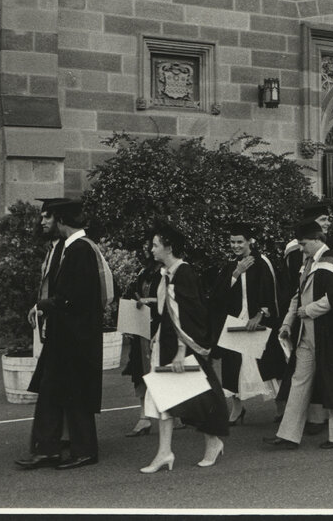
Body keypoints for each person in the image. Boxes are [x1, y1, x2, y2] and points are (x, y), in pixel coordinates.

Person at [16, 198, 113, 471]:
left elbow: (74, 297)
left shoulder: (80, 249)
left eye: (49, 217)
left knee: (74, 393)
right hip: (65, 335)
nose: (44, 223)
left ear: (61, 220)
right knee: (51, 391)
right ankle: (47, 449)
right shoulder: (70, 248)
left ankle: (84, 451)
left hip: (76, 337)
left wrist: (43, 305)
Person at [264, 220, 333, 449]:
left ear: (316, 239)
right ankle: (288, 435)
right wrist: (287, 323)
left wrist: (308, 311)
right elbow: (298, 295)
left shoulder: (332, 261)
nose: (301, 248)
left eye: (303, 244)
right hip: (307, 333)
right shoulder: (309, 263)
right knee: (298, 382)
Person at [140, 223, 230, 472]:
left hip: (183, 348)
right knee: (163, 398)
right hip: (166, 343)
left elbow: (190, 315)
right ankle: (164, 452)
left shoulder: (184, 273)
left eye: (156, 244)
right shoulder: (165, 273)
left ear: (168, 247)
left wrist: (181, 351)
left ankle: (213, 442)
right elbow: (169, 310)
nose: (152, 249)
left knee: (200, 397)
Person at [211, 223, 282, 426]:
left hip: (256, 321)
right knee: (233, 366)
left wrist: (261, 314)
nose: (236, 246)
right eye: (232, 242)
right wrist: (236, 273)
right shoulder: (230, 266)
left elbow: (272, 292)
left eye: (240, 242)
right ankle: (237, 408)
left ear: (249, 241)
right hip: (235, 321)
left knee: (267, 364)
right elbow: (218, 297)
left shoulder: (262, 263)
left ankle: (281, 407)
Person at [121, 240, 162, 437]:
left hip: (159, 327)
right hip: (141, 328)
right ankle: (144, 417)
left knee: (163, 371)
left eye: (151, 247)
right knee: (140, 372)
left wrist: (150, 301)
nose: (148, 251)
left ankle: (174, 414)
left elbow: (170, 300)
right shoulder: (143, 273)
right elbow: (131, 295)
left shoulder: (166, 272)